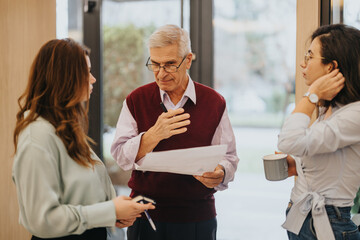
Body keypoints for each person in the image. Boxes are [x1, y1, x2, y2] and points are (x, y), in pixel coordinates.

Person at [12, 38, 154, 240]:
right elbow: (42, 220)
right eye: (86, 72)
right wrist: (108, 211)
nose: (93, 79)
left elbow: (80, 200)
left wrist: (114, 214)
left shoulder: (66, 130)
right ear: (64, 78)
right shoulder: (38, 137)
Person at [111, 24, 239, 240]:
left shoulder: (214, 102)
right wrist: (153, 135)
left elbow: (229, 157)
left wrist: (220, 174)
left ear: (188, 60)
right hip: (145, 216)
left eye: (170, 64)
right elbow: (121, 156)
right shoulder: (136, 100)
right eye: (155, 64)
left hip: (197, 218)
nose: (161, 73)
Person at [278, 24, 360, 240]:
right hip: (304, 217)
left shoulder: (356, 113)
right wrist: (297, 164)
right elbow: (325, 155)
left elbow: (288, 140)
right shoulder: (331, 109)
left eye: (310, 56)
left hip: (328, 223)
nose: (303, 63)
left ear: (331, 67)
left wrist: (311, 95)